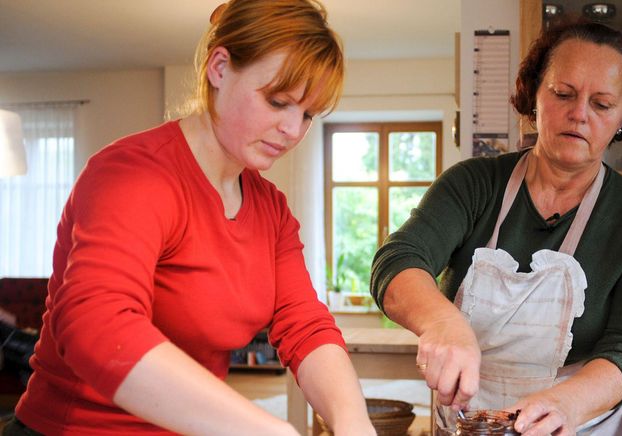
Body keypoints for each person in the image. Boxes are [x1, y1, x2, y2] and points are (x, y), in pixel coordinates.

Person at [8, 1, 376, 435]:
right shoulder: (134, 175)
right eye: (278, 101)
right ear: (219, 68)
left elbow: (306, 326)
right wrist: (269, 430)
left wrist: (355, 424)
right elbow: (96, 325)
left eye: (308, 114)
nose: (293, 129)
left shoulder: (271, 210)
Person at [371, 21, 622, 436]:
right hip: (467, 423)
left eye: (602, 104)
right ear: (534, 96)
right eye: (563, 94)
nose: (579, 114)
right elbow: (399, 259)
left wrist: (565, 403)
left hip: (577, 424)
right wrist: (443, 323)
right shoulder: (473, 185)